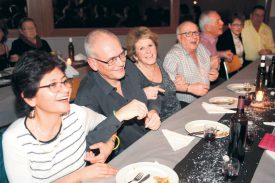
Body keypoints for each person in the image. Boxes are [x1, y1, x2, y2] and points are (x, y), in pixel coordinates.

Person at [2, 50, 130, 182]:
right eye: (52, 85)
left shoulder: (77, 114)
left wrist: (109, 145)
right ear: (30, 98)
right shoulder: (15, 139)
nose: (65, 89)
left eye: (64, 81)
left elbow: (109, 124)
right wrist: (80, 175)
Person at [75, 29, 161, 155]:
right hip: (126, 157)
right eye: (111, 60)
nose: (121, 63)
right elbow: (85, 144)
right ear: (93, 64)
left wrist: (154, 110)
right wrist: (118, 116)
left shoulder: (129, 67)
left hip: (154, 139)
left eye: (122, 54)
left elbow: (152, 90)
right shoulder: (87, 94)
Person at [126, 26, 181, 121]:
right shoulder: (133, 74)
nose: (148, 51)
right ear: (135, 56)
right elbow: (132, 102)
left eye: (150, 45)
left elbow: (168, 89)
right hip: (158, 123)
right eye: (142, 48)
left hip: (178, 113)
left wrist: (177, 81)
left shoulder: (158, 62)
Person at [163, 21, 219, 107]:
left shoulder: (201, 47)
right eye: (188, 34)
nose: (194, 37)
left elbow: (214, 61)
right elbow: (165, 84)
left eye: (196, 33)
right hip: (184, 105)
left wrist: (214, 70)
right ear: (179, 37)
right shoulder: (173, 56)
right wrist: (189, 88)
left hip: (206, 99)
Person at [217, 13, 247, 77]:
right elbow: (225, 60)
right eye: (235, 25)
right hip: (229, 74)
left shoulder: (238, 36)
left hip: (239, 69)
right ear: (229, 26)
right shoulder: (224, 38)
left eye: (240, 25)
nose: (238, 27)